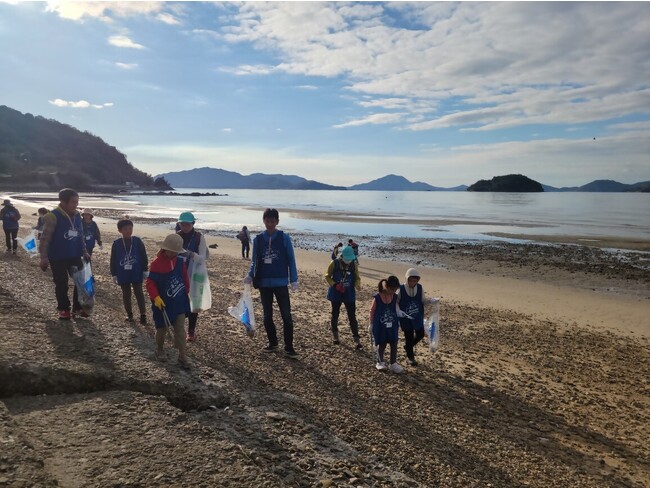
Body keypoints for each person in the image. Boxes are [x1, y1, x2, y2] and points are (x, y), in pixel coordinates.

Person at [244, 208, 299, 358]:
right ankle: (273, 343)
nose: (270, 224)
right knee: (267, 316)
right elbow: (254, 261)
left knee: (286, 316)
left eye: (272, 221)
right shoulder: (258, 240)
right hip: (264, 283)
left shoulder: (284, 238)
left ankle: (289, 347)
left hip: (281, 282)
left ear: (277, 222)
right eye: (267, 221)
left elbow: (291, 259)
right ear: (264, 221)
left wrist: (293, 279)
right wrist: (250, 275)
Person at [38, 188, 90, 320]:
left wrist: (84, 251)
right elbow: (45, 239)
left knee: (81, 281)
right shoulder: (52, 216)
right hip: (57, 257)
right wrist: (43, 257)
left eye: (77, 202)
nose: (76, 205)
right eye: (73, 202)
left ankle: (78, 307)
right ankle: (64, 308)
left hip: (75, 254)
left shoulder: (77, 216)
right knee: (62, 284)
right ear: (63, 202)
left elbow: (80, 235)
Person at [145, 233, 191, 368]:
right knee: (162, 329)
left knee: (180, 329)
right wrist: (156, 297)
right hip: (162, 303)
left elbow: (185, 278)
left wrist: (185, 292)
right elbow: (150, 283)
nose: (174, 254)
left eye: (176, 252)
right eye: (172, 251)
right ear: (165, 249)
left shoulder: (180, 262)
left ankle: (182, 355)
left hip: (178, 302)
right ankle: (159, 349)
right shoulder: (156, 263)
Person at [176, 211, 209, 341]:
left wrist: (191, 254)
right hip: (180, 272)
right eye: (182, 224)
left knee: (195, 302)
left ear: (193, 224)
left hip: (196, 273)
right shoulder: (177, 236)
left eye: (187, 224)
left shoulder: (199, 237)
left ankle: (191, 331)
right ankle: (178, 328)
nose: (185, 227)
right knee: (179, 300)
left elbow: (203, 258)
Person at [110, 218, 148, 325]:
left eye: (130, 228)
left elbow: (143, 255)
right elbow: (113, 259)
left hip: (136, 271)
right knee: (126, 294)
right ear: (120, 230)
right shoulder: (116, 244)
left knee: (139, 292)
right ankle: (129, 314)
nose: (128, 231)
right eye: (125, 229)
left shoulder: (137, 241)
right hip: (123, 273)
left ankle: (143, 314)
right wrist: (114, 274)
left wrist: (145, 269)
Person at [325, 245, 362, 349]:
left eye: (350, 259)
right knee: (335, 314)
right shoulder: (334, 263)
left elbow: (357, 277)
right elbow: (327, 276)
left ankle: (356, 338)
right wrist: (334, 285)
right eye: (347, 259)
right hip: (336, 293)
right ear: (342, 256)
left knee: (352, 316)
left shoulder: (354, 265)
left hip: (349, 293)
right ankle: (335, 335)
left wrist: (357, 284)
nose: (348, 261)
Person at [398, 268, 437, 366]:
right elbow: (396, 301)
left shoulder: (419, 288)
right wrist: (398, 311)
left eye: (414, 281)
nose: (412, 283)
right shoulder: (401, 289)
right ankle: (410, 358)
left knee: (420, 334)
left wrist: (431, 301)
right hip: (405, 317)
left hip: (417, 316)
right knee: (409, 336)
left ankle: (408, 347)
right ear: (407, 279)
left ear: (417, 280)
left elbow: (423, 301)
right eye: (410, 280)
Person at [369, 275, 406, 373]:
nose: (394, 291)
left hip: (392, 324)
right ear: (386, 287)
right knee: (382, 343)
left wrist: (400, 314)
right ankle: (380, 362)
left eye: (396, 289)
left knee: (394, 343)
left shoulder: (395, 296)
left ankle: (393, 363)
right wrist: (371, 323)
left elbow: (396, 308)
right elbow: (372, 311)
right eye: (392, 289)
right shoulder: (377, 297)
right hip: (380, 325)